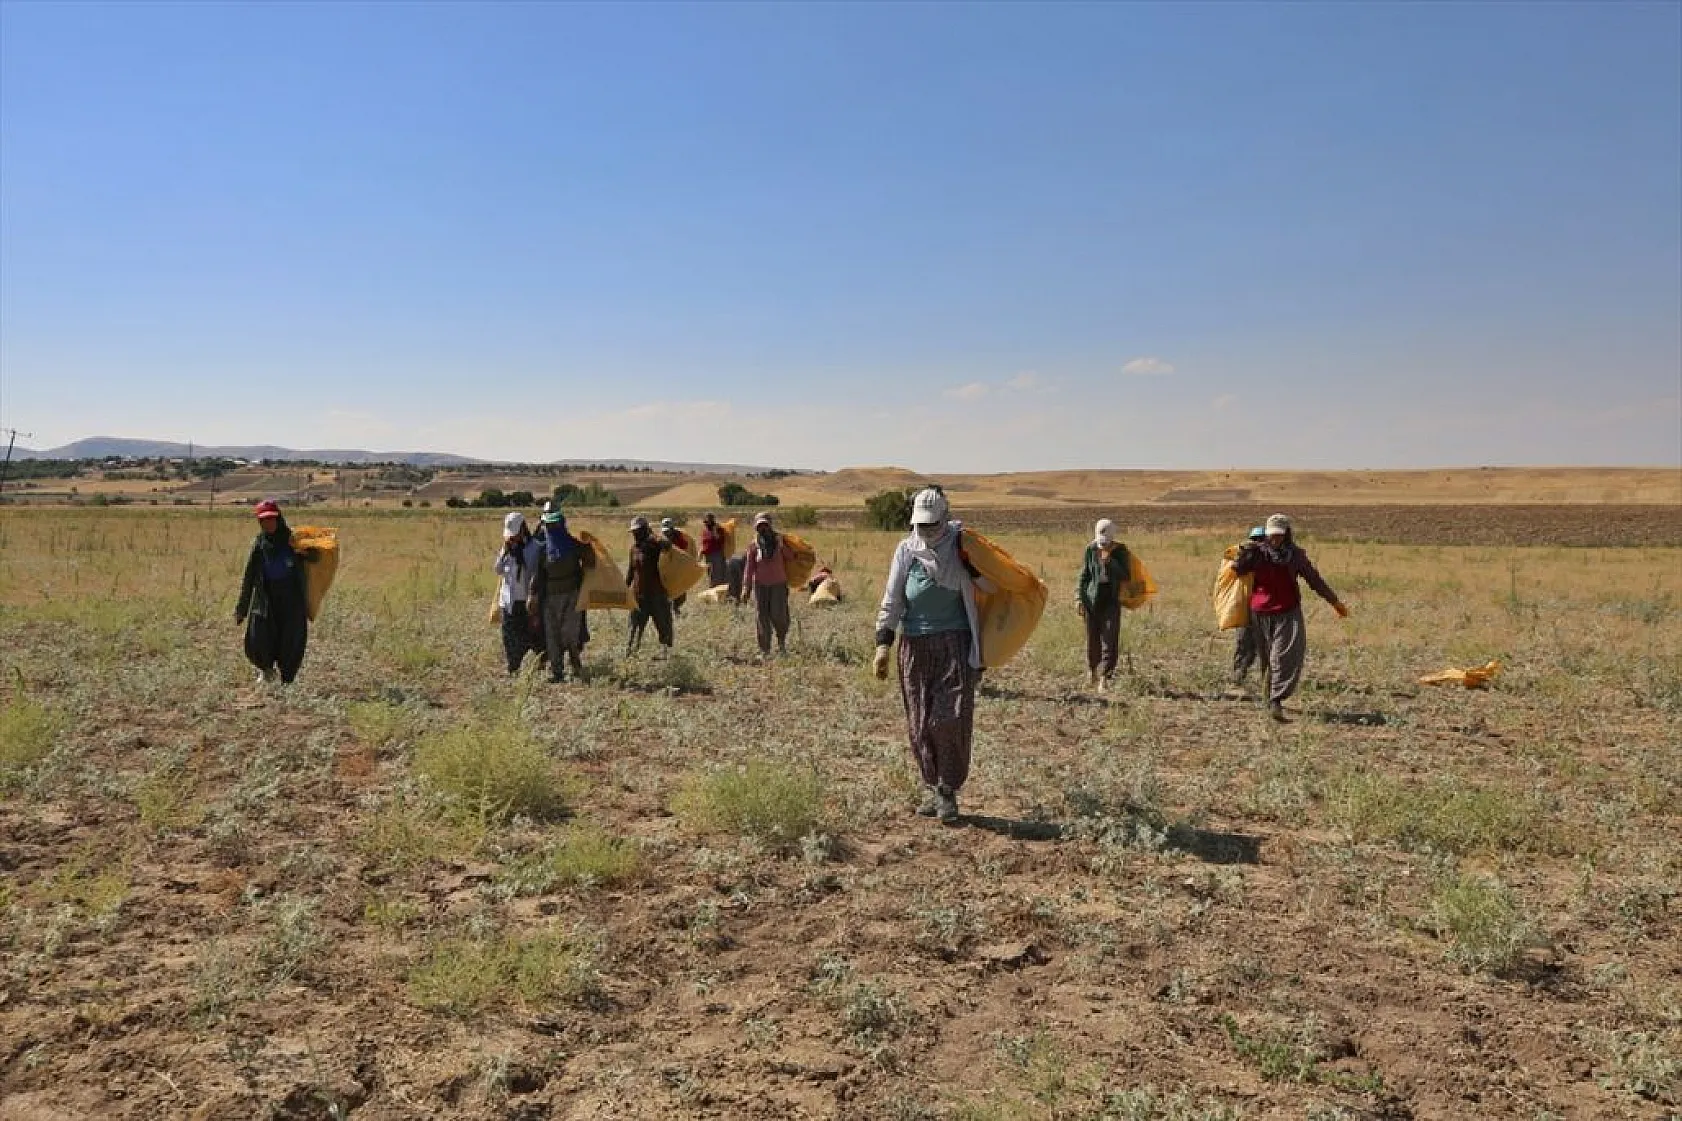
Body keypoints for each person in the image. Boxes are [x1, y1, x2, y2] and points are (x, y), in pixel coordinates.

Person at [872, 487, 990, 825]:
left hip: (954, 643)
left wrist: (975, 569)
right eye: (920, 525)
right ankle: (935, 787)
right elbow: (893, 597)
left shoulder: (964, 545)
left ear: (945, 516)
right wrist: (883, 643)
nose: (925, 531)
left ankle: (948, 789)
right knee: (920, 722)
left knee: (948, 719)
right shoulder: (906, 549)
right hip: (914, 647)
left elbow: (995, 589)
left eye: (931, 525)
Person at [1231, 513, 1349, 722]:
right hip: (1260, 613)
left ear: (1286, 534)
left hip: (1288, 612)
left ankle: (1276, 700)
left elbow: (1314, 580)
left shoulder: (1295, 556)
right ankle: (1269, 698)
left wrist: (1334, 602)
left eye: (1279, 535)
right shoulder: (1256, 553)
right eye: (1271, 535)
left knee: (1284, 655)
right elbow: (1237, 572)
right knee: (1267, 658)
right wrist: (1243, 555)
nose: (1275, 539)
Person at [235, 499, 310, 685]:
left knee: (290, 640)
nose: (268, 524)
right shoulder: (260, 545)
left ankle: (287, 680)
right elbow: (249, 576)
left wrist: (308, 553)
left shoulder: (293, 541)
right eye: (264, 520)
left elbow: (314, 560)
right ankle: (266, 670)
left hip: (291, 600)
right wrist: (241, 609)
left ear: (279, 519)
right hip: (265, 599)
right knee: (258, 637)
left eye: (271, 519)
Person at [528, 508, 595, 682]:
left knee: (570, 633)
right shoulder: (544, 550)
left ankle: (575, 664)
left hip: (572, 595)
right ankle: (557, 672)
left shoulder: (572, 544)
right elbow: (538, 574)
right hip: (549, 598)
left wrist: (588, 544)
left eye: (553, 524)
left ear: (561, 524)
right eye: (548, 525)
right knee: (552, 634)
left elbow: (590, 560)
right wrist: (532, 595)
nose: (550, 528)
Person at [1075, 519, 1134, 691]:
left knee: (1110, 638)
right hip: (1092, 598)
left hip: (1111, 598)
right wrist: (1078, 598)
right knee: (1092, 638)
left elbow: (1126, 575)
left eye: (1105, 543)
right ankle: (1092, 672)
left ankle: (1105, 678)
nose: (1103, 546)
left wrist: (1111, 563)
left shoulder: (1120, 551)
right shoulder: (1090, 549)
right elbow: (1084, 575)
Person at [494, 511, 542, 675]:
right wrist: (504, 552)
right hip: (507, 601)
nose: (512, 538)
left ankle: (539, 664)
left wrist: (533, 597)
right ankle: (513, 668)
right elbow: (498, 570)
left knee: (530, 636)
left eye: (515, 534)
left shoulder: (534, 548)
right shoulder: (507, 548)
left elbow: (537, 574)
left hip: (525, 601)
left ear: (523, 529)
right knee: (509, 637)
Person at [742, 512, 794, 656]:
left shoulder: (779, 542)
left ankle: (781, 643)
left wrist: (782, 545)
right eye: (760, 526)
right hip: (760, 586)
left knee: (779, 615)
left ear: (770, 526)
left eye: (765, 525)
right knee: (762, 617)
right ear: (756, 528)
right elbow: (749, 567)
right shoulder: (753, 546)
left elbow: (791, 557)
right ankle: (765, 650)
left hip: (778, 584)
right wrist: (746, 588)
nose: (763, 529)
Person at [624, 515, 674, 654]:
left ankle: (666, 655)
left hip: (657, 595)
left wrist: (655, 536)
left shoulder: (655, 546)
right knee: (634, 628)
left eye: (638, 531)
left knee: (664, 626)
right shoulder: (634, 549)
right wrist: (624, 588)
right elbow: (631, 571)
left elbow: (668, 546)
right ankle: (631, 653)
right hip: (638, 596)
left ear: (645, 530)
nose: (635, 534)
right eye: (634, 532)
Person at [1230, 526, 1267, 687]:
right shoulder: (1247, 554)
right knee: (1247, 642)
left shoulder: (1268, 556)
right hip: (1251, 606)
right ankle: (1241, 674)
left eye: (1260, 540)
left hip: (1259, 606)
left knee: (1253, 642)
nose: (1257, 543)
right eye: (1256, 540)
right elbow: (1237, 569)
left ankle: (1254, 675)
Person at [661, 518, 694, 615]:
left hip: (679, 571)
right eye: (665, 531)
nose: (667, 533)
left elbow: (684, 551)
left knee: (681, 595)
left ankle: (675, 608)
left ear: (672, 529)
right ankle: (671, 610)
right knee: (669, 593)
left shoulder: (680, 539)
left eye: (668, 531)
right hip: (668, 572)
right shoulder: (662, 539)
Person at [699, 513, 730, 591]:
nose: (706, 524)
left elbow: (719, 540)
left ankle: (720, 593)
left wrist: (714, 530)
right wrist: (700, 554)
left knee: (718, 575)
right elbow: (704, 543)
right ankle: (713, 592)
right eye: (705, 522)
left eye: (708, 522)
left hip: (717, 555)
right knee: (710, 575)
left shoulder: (719, 530)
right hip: (708, 556)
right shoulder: (705, 531)